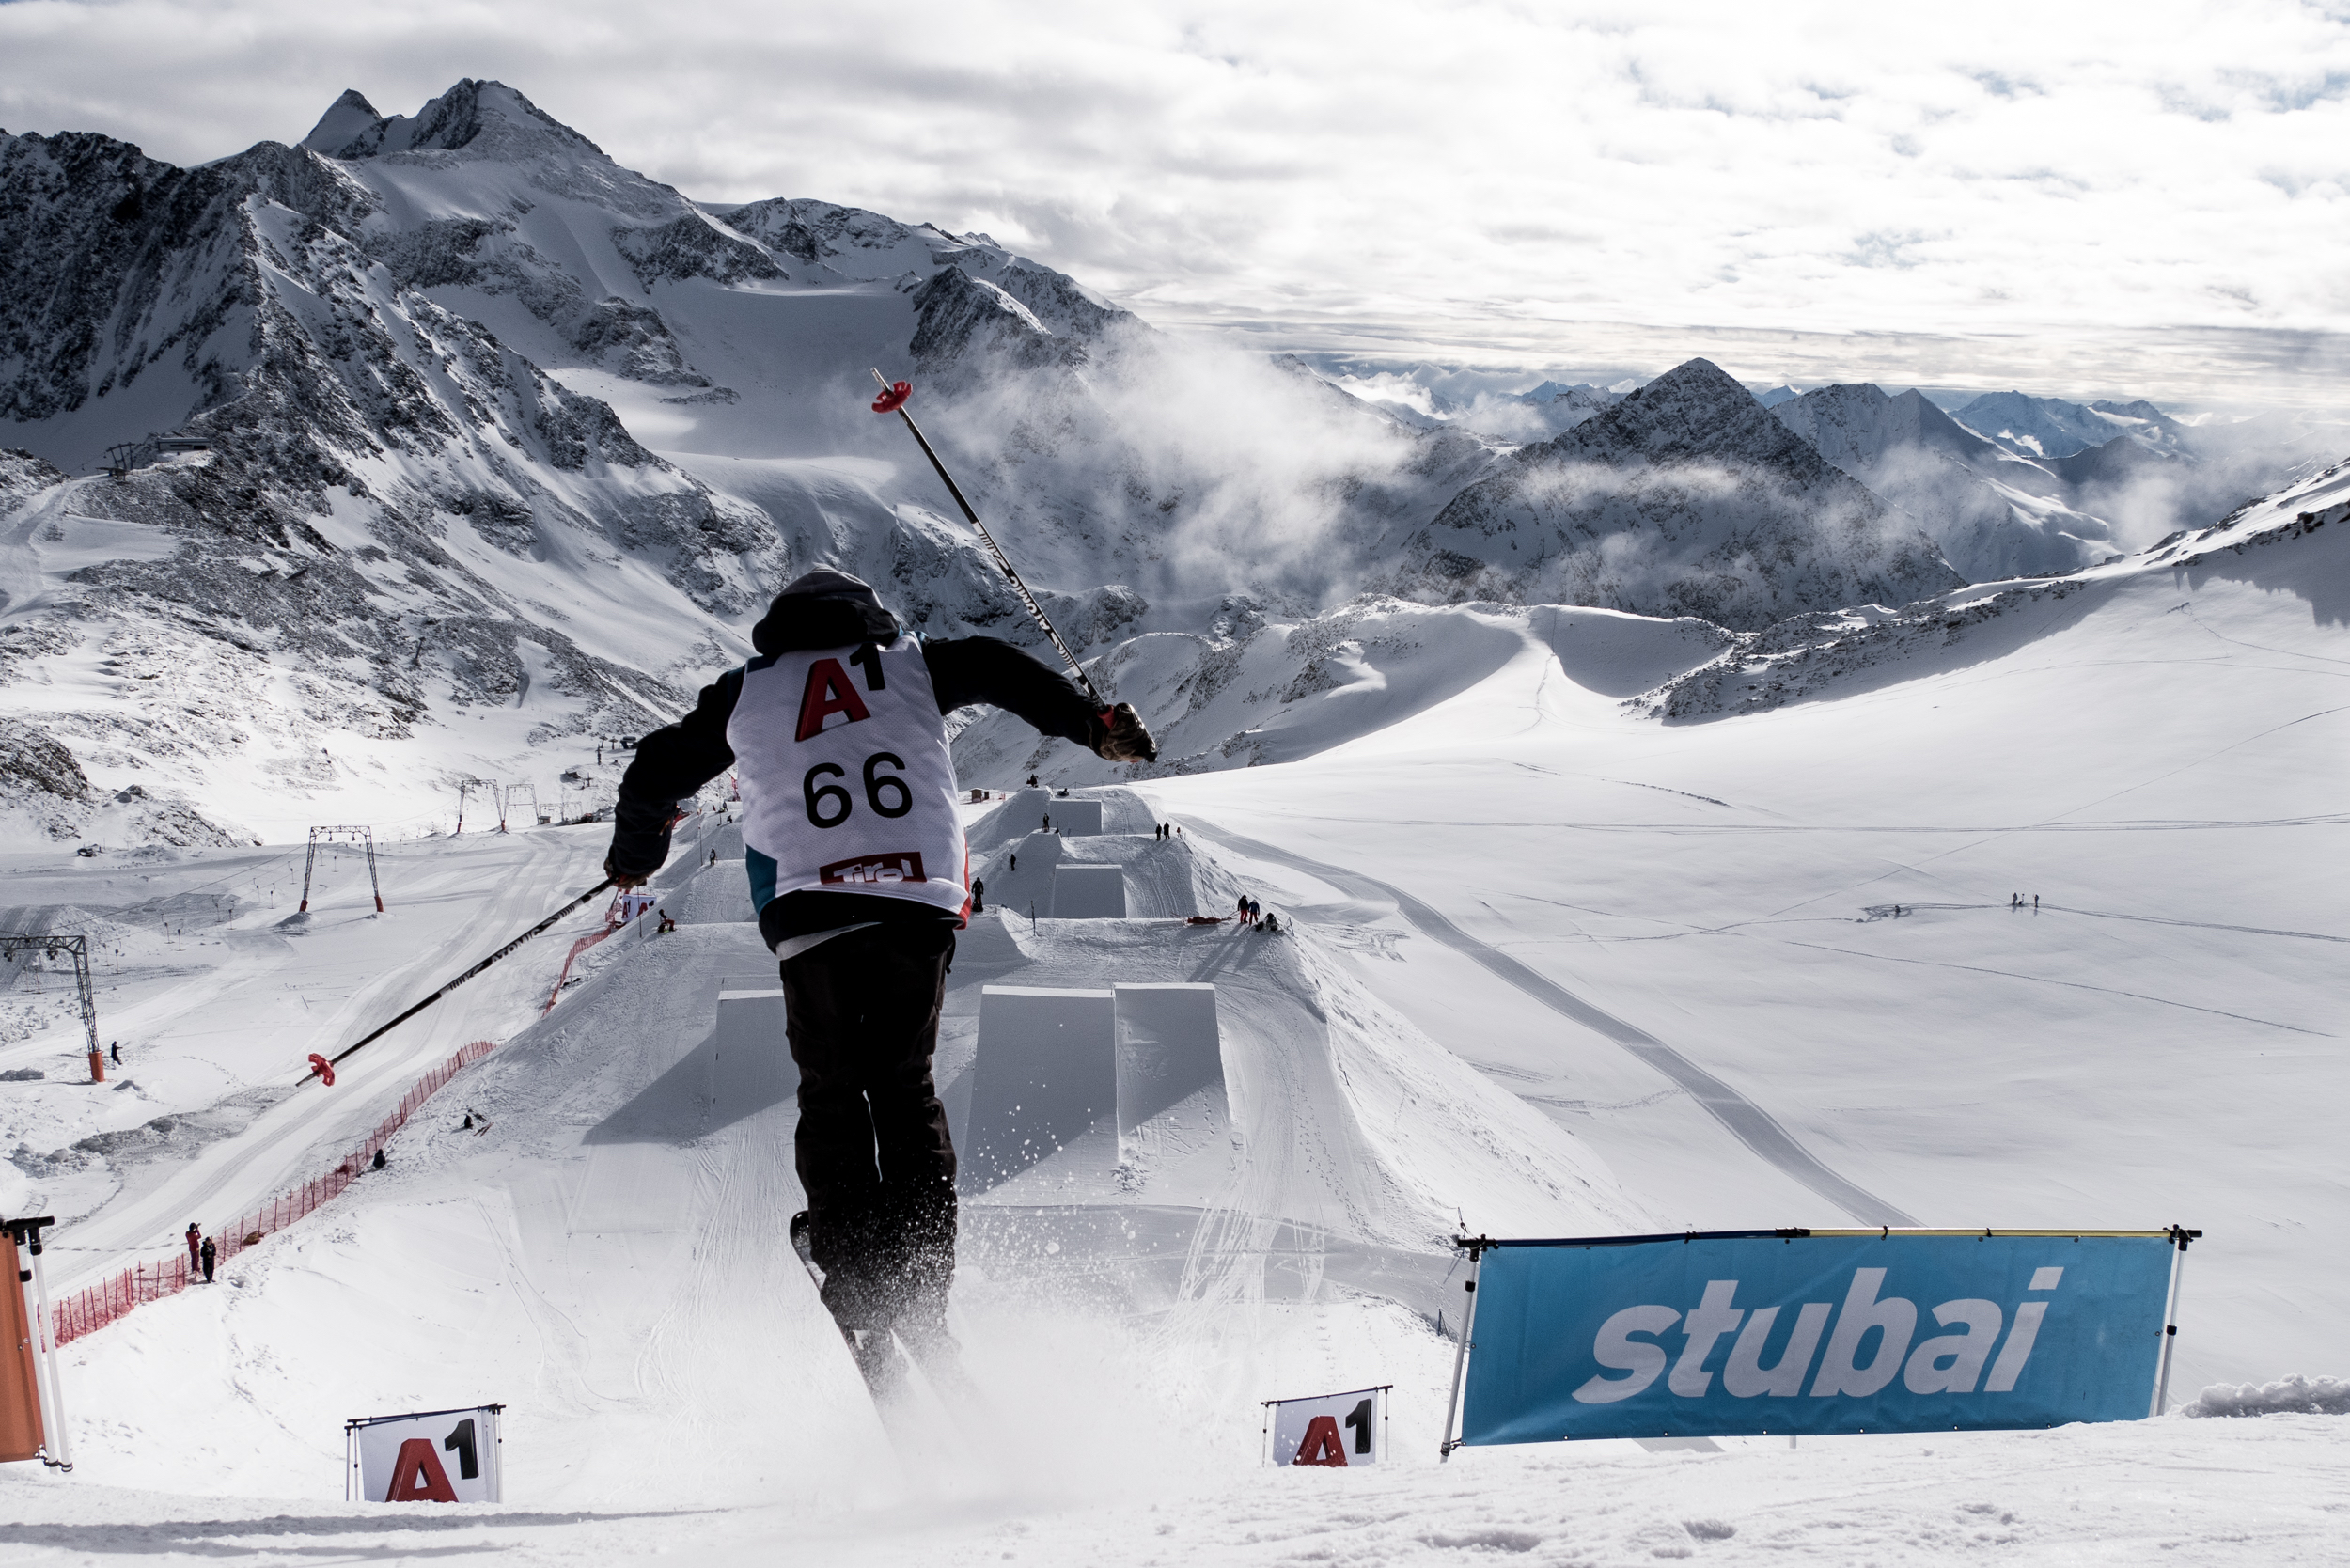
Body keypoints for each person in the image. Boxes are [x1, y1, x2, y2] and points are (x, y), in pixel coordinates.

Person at [603, 570, 1156, 1382]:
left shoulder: (745, 692)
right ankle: (921, 1285)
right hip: (913, 899)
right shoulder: (915, 663)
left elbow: (655, 768)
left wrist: (635, 857)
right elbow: (1001, 667)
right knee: (905, 1086)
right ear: (869, 618)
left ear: (778, 631)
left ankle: (856, 1275)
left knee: (831, 1088)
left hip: (807, 908)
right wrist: (1091, 724)